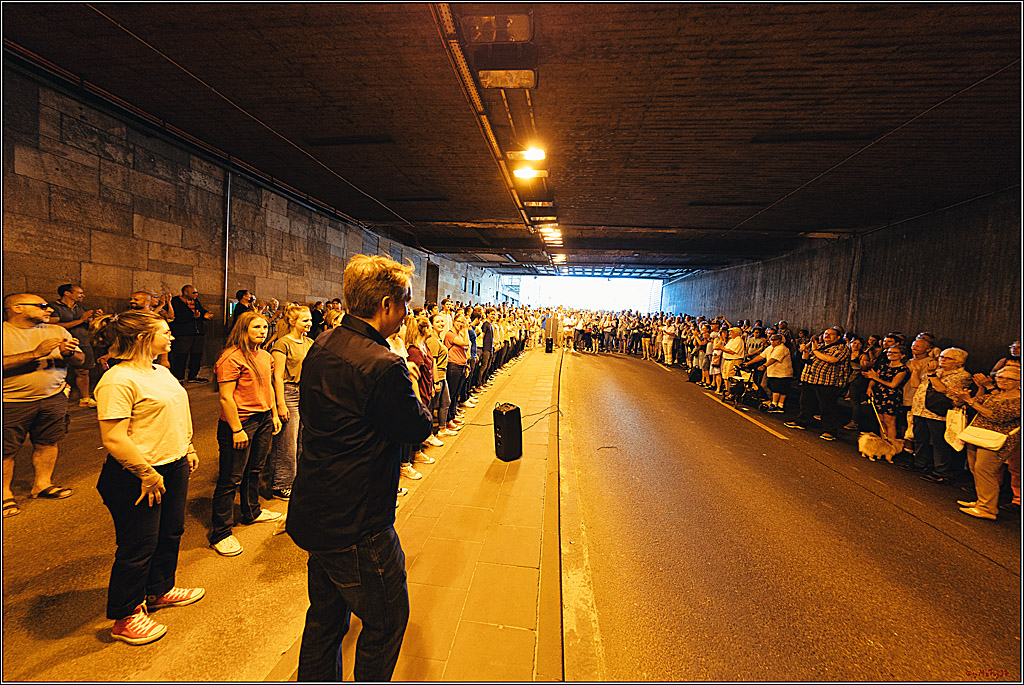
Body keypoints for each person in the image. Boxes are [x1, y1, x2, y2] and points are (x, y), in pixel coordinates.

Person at [287, 254, 432, 682]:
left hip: (317, 507)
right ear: (386, 305)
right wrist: (409, 380)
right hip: (358, 521)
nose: (407, 312)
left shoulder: (324, 342)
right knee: (387, 621)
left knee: (325, 619)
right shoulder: (383, 365)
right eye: (405, 302)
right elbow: (416, 427)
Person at [94, 311, 204, 645]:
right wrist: (146, 473)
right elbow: (114, 437)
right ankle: (126, 615)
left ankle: (159, 589)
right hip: (136, 474)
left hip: (173, 465)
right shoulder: (118, 380)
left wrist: (187, 446)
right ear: (143, 337)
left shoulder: (162, 372)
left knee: (170, 532)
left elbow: (177, 414)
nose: (171, 337)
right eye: (165, 332)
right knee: (138, 545)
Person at [3, 294, 84, 518]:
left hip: (52, 398)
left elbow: (81, 360)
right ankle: (4, 494)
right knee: (6, 450)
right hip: (11, 401)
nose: (48, 310)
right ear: (17, 308)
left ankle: (42, 484)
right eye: (41, 306)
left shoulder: (57, 331)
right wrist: (34, 354)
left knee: (47, 442)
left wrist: (70, 354)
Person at [209, 312, 283, 557]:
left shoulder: (265, 355)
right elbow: (225, 397)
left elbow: (268, 386)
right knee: (231, 478)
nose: (263, 331)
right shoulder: (231, 357)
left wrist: (273, 413)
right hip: (241, 422)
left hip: (263, 418)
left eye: (265, 327)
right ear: (243, 329)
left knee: (254, 470)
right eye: (256, 327)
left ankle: (252, 511)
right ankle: (221, 532)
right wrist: (237, 429)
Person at [949, 365, 1021, 519]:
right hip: (977, 436)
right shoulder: (992, 396)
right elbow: (961, 403)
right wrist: (960, 396)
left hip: (997, 440)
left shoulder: (1018, 401)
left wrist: (970, 401)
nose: (1003, 380)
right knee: (976, 469)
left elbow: (997, 417)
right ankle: (981, 501)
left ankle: (987, 508)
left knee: (985, 470)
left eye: (1009, 378)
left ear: (1019, 382)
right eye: (1000, 377)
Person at [269, 305, 314, 501]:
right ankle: (282, 483)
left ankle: (299, 480)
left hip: (305, 392)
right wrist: (281, 404)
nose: (309, 323)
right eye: (305, 320)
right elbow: (277, 377)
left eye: (310, 319)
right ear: (293, 322)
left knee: (303, 439)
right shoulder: (282, 344)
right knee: (288, 442)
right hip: (289, 392)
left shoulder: (310, 342)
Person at [909, 348, 972, 483]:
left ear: (958, 362)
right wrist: (916, 370)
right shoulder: (937, 371)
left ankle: (941, 471)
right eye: (941, 357)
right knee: (919, 438)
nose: (942, 360)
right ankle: (920, 463)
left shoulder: (962, 375)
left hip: (938, 413)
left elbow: (942, 389)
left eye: (947, 358)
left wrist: (931, 374)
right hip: (920, 409)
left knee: (940, 443)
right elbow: (915, 384)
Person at [784, 327, 851, 441]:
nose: (827, 335)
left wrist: (814, 350)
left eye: (831, 334)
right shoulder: (820, 346)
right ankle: (802, 422)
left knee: (827, 407)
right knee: (806, 403)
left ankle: (830, 431)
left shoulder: (842, 348)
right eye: (825, 333)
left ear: (838, 337)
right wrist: (805, 351)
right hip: (811, 379)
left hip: (828, 382)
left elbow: (831, 360)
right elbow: (806, 359)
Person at [49, 284, 102, 407]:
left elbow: (90, 325)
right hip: (62, 343)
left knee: (84, 371)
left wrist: (96, 319)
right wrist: (81, 320)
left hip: (83, 342)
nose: (83, 295)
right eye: (80, 293)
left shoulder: (81, 308)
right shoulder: (54, 307)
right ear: (67, 293)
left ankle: (85, 398)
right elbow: (53, 326)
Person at [169, 285, 214, 383]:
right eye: (194, 292)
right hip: (183, 333)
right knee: (181, 355)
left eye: (196, 292)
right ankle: (179, 377)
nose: (196, 294)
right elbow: (176, 317)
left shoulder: (196, 301)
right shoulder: (176, 302)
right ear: (185, 292)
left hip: (198, 333)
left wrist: (206, 315)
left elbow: (201, 312)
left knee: (197, 354)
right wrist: (192, 317)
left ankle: (193, 376)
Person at [863, 345, 909, 442]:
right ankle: (883, 442)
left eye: (895, 352)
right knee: (881, 421)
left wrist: (875, 378)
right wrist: (870, 387)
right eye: (889, 352)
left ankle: (891, 444)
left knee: (889, 422)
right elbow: (874, 378)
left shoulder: (902, 369)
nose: (891, 354)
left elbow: (893, 384)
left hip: (891, 396)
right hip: (879, 395)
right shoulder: (883, 366)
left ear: (902, 355)